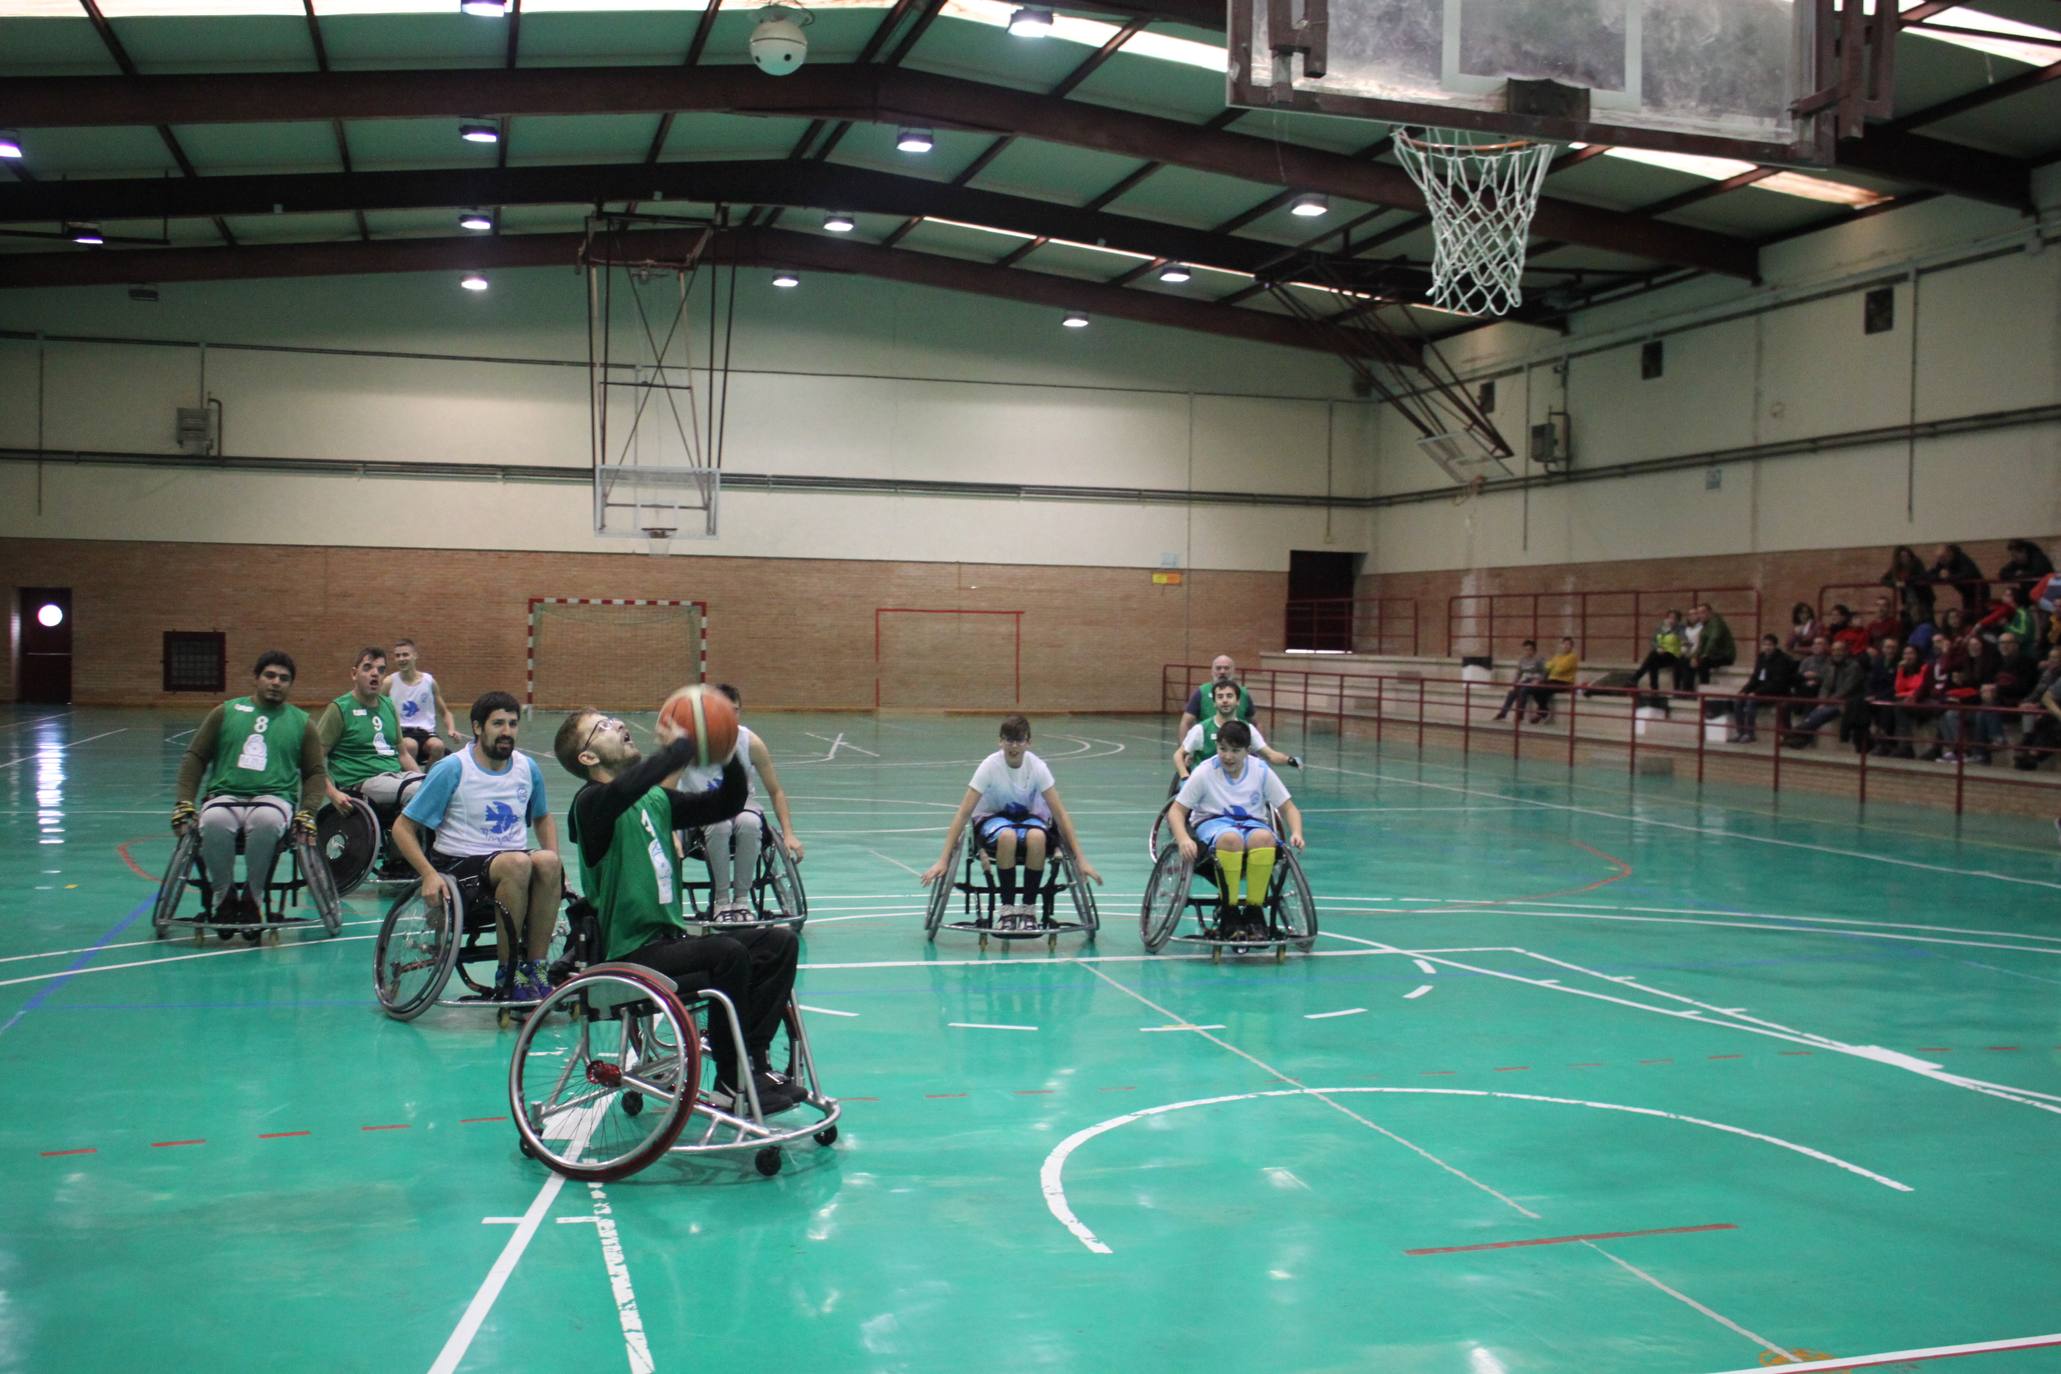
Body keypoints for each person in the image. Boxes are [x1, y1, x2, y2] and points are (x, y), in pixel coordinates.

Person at [553, 707, 803, 1114]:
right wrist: (682, 745)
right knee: (726, 953)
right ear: (588, 757)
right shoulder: (591, 804)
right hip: (629, 954)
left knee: (778, 943)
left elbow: (727, 802)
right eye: (603, 726)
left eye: (614, 719)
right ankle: (731, 1080)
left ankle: (753, 1066)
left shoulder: (654, 799)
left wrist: (725, 751)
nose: (618, 724)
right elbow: (627, 787)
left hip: (670, 944)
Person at [393, 692, 562, 1001]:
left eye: (512, 724)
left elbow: (542, 818)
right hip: (459, 868)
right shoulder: (452, 768)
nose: (507, 731)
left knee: (550, 863)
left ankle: (536, 968)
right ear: (477, 727)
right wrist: (428, 875)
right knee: (517, 863)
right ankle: (507, 973)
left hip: (511, 863)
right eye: (498, 723)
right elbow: (402, 828)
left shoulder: (527, 768)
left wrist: (554, 860)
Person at [171, 651, 329, 926]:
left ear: (290, 684)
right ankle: (224, 896)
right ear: (255, 678)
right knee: (213, 821)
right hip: (225, 796)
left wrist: (308, 811)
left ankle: (253, 899)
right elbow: (195, 757)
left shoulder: (303, 723)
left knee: (266, 822)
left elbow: (315, 773)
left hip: (274, 799)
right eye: (270, 675)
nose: (276, 682)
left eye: (284, 678)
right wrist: (185, 802)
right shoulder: (225, 712)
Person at [919, 715, 1102, 931]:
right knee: (1007, 836)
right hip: (991, 819)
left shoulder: (1037, 767)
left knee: (1038, 837)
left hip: (1029, 818)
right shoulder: (989, 766)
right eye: (1009, 740)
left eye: (1019, 740)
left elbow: (1060, 814)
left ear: (1028, 742)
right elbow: (963, 813)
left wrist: (1081, 859)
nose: (1014, 746)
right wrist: (943, 860)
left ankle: (1028, 911)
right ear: (1000, 741)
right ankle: (1006, 911)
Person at [1168, 721, 1305, 942]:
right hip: (1213, 823)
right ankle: (1229, 910)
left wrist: (1296, 832)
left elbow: (1289, 808)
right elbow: (1176, 811)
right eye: (1223, 749)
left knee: (1265, 838)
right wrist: (1183, 839)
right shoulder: (1204, 771)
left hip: (1251, 824)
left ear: (1247, 751)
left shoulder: (1261, 771)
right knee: (1230, 839)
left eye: (1235, 750)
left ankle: (1254, 912)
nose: (1228, 756)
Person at [688, 683, 805, 919]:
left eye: (735, 711)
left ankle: (741, 901)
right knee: (719, 824)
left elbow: (775, 791)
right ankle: (721, 901)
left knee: (750, 823)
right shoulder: (688, 744)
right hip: (700, 812)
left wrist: (789, 833)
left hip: (742, 807)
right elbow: (667, 792)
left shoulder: (750, 742)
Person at [317, 648, 426, 852]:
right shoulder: (340, 709)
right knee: (417, 792)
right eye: (367, 668)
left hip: (394, 777)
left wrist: (425, 780)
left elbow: (403, 754)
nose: (375, 673)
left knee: (437, 788)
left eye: (381, 670)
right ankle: (400, 856)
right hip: (361, 782)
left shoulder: (388, 706)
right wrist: (332, 793)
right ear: (354, 673)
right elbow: (313, 760)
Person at [1176, 680, 1300, 778]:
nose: (1225, 700)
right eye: (1220, 697)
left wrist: (1289, 760)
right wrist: (1184, 776)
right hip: (1207, 783)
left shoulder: (1247, 729)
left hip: (1237, 783)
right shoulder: (1201, 729)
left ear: (1238, 701)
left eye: (1229, 696)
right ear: (1214, 702)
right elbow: (1178, 755)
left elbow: (1270, 755)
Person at [1785, 639, 1867, 751]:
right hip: (1831, 701)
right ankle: (1800, 739)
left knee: (1820, 713)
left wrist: (1828, 702)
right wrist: (1822, 701)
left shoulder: (1854, 666)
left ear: (1846, 651)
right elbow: (1825, 686)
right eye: (1834, 650)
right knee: (1815, 712)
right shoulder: (1830, 666)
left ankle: (1794, 733)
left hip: (1846, 702)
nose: (1836, 653)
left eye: (1839, 650)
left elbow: (1846, 689)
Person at [385, 639, 455, 767]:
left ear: (415, 655)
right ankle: (412, 778)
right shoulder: (389, 682)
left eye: (405, 654)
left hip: (426, 733)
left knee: (438, 746)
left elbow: (445, 713)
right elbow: (375, 706)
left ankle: (429, 777)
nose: (401, 659)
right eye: (397, 656)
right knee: (410, 745)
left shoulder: (429, 681)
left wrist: (451, 729)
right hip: (402, 733)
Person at [1731, 635, 1794, 744]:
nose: (1767, 647)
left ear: (1775, 646)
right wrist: (1744, 691)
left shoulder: (1782, 659)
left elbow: (1777, 683)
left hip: (1776, 692)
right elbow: (1755, 678)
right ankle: (1741, 733)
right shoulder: (1761, 657)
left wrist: (1756, 692)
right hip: (1760, 691)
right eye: (1765, 644)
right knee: (1738, 701)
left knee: (1751, 701)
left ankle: (1750, 734)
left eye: (1770, 645)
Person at [1176, 655, 1254, 740]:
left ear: (1233, 670)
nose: (1222, 671)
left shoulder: (1243, 693)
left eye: (1226, 668)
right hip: (1207, 744)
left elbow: (1256, 723)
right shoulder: (1201, 692)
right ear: (1212, 671)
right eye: (1218, 668)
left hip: (1236, 744)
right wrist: (1183, 746)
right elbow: (1186, 722)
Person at [2013, 646, 2061, 771]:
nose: (2052, 660)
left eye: (2056, 658)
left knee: (2050, 723)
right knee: (2044, 720)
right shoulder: (2047, 674)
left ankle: (2033, 754)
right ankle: (2030, 750)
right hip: (2053, 711)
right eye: (2050, 657)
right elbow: (2046, 696)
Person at [1686, 603, 1737, 695]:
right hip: (1713, 655)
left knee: (1703, 663)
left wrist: (1704, 655)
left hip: (1724, 655)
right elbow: (1701, 644)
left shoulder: (1717, 623)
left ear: (1710, 612)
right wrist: (1694, 657)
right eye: (1699, 613)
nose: (1700, 615)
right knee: (1687, 662)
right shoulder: (1705, 625)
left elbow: (1713, 639)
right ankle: (1688, 692)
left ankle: (1704, 691)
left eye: (1703, 612)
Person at [1635, 610, 1687, 695]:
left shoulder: (1680, 628)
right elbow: (1653, 640)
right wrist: (1658, 647)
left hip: (1674, 655)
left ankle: (1635, 678)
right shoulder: (1661, 628)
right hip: (1662, 654)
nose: (1671, 620)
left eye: (1674, 618)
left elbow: (1683, 638)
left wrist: (1670, 630)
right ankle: (1654, 689)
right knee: (1653, 660)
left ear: (1678, 620)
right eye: (1669, 617)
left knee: (1652, 657)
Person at [1881, 546, 1934, 628]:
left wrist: (1906, 581)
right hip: (1908, 600)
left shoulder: (1916, 563)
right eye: (1902, 556)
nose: (1905, 558)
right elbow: (1883, 580)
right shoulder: (1897, 568)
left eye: (1906, 556)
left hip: (1922, 598)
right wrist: (1895, 583)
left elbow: (1922, 576)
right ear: (1898, 558)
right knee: (1909, 620)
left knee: (1926, 620)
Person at [1492, 641, 1546, 721]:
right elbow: (1519, 673)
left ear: (1534, 650)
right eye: (1526, 650)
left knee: (1523, 690)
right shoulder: (1522, 660)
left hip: (1534, 682)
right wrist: (1515, 681)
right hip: (1525, 681)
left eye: (1530, 649)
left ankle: (1519, 715)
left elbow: (1544, 673)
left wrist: (1538, 680)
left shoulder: (1539, 660)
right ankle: (1503, 713)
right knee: (1512, 692)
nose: (1527, 652)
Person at [1931, 543, 1987, 618]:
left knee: (1978, 613)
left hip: (1979, 590)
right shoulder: (1943, 562)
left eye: (1942, 557)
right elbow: (1934, 573)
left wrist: (1949, 576)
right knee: (1968, 614)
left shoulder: (1962, 558)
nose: (1941, 561)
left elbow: (1968, 573)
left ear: (1949, 553)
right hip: (1966, 593)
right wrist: (1939, 576)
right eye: (1939, 558)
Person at [1533, 636, 1579, 723]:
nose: (1565, 646)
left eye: (1568, 644)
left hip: (1565, 682)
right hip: (1552, 680)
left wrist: (1552, 668)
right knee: (1535, 688)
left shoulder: (1572, 657)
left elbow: (1560, 670)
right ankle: (1543, 710)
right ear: (1561, 645)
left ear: (1571, 647)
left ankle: (1541, 712)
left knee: (1543, 689)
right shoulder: (1557, 656)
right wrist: (1541, 678)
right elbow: (1547, 666)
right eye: (1564, 644)